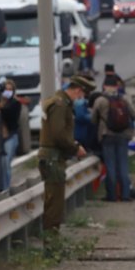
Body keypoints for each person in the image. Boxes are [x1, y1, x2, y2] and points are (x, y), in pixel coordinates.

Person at [40, 75, 94, 231]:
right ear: (77, 90)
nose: (81, 98)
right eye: (81, 94)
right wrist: (75, 147)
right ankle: (51, 246)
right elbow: (59, 133)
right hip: (53, 158)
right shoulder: (60, 105)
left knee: (54, 202)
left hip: (53, 158)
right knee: (54, 205)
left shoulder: (60, 102)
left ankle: (52, 242)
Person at [93, 75, 135, 202]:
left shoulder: (100, 100)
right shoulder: (124, 99)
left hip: (107, 136)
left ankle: (112, 195)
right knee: (123, 165)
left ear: (104, 86)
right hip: (123, 136)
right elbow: (134, 115)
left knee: (110, 166)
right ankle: (125, 195)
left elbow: (93, 119)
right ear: (117, 86)